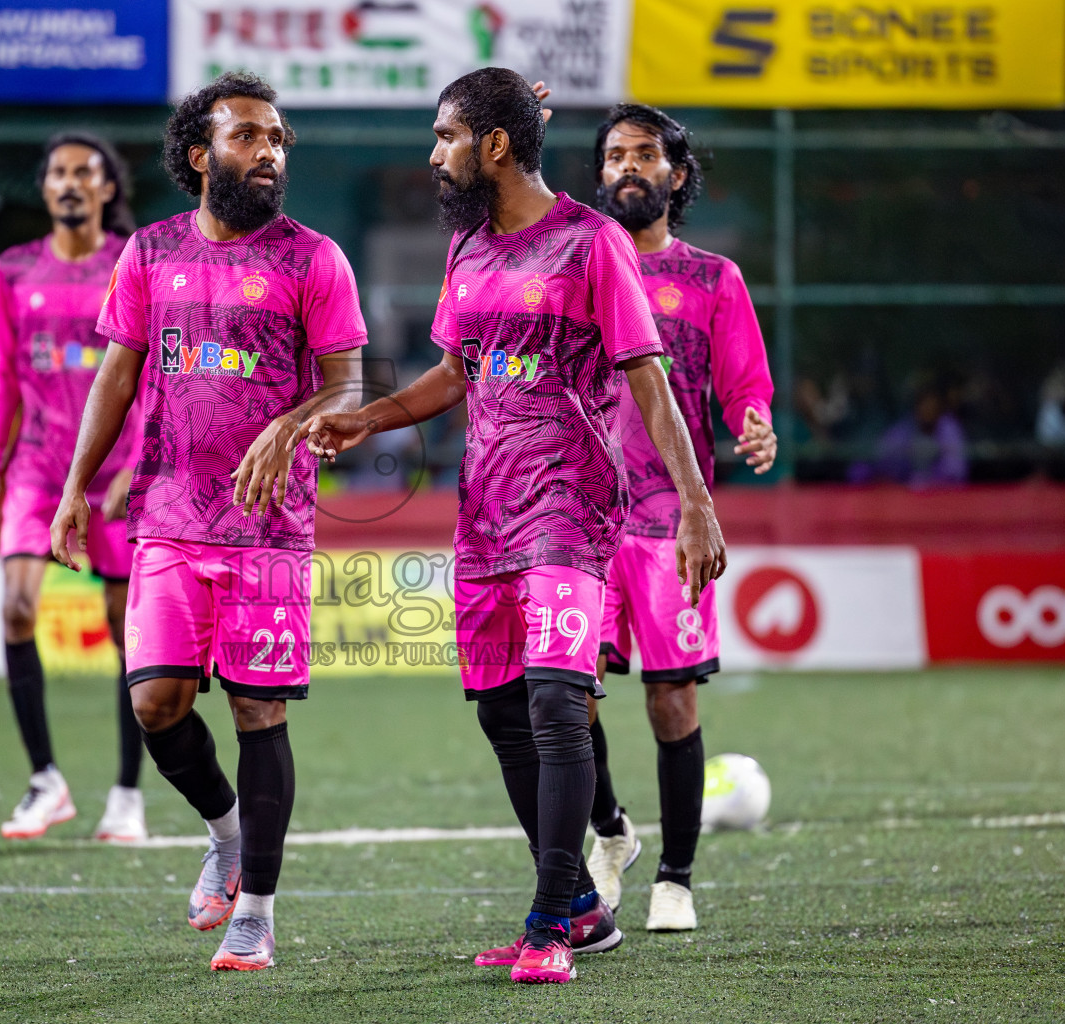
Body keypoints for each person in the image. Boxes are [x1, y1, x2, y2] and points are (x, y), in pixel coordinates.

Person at [296, 68, 725, 985]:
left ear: (493, 144)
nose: (433, 154)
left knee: (558, 706)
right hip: (484, 510)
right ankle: (579, 908)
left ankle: (548, 925)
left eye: (444, 136)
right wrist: (366, 417)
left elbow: (648, 380)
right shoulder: (470, 250)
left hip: (571, 506)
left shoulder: (591, 242)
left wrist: (694, 502)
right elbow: (455, 373)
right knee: (500, 712)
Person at [49, 72, 365, 972]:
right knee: (155, 703)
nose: (269, 152)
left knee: (260, 713)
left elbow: (347, 384)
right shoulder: (148, 252)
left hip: (271, 525)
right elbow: (116, 375)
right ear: (200, 156)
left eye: (277, 139)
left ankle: (256, 913)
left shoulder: (314, 259)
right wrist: (79, 483)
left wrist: (292, 422)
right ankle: (226, 836)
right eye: (248, 137)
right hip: (169, 516)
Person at [579, 102, 776, 927]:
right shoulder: (579, 267)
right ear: (600, 175)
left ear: (676, 174)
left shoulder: (711, 279)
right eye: (616, 155)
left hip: (669, 525)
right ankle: (609, 827)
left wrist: (753, 419)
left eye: (646, 154)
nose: (630, 166)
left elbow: (742, 380)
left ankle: (676, 879)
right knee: (566, 691)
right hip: (581, 516)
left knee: (672, 704)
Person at [0, 132, 149, 844]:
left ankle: (127, 794)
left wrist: (143, 463)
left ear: (108, 188)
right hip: (40, 469)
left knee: (127, 632)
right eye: (58, 172)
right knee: (17, 609)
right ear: (44, 188)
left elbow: (155, 375)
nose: (71, 183)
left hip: (117, 471)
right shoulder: (12, 271)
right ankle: (45, 779)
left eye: (86, 172)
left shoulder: (134, 262)